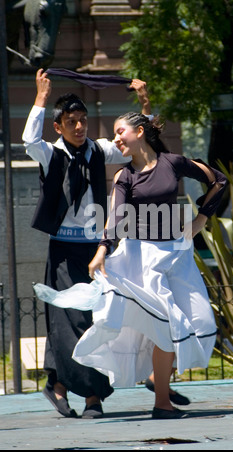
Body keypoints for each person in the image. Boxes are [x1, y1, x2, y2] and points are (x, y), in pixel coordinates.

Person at [34, 111, 227, 419]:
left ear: (139, 131)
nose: (116, 138)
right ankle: (162, 403)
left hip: (177, 255)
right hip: (144, 259)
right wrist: (101, 250)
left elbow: (219, 180)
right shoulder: (125, 177)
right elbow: (117, 218)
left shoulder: (172, 162)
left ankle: (157, 379)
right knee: (166, 327)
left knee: (201, 322)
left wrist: (201, 218)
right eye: (114, 134)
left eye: (120, 131)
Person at [22, 69, 151, 418]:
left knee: (96, 318)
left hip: (96, 251)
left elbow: (134, 143)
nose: (79, 127)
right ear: (58, 127)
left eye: (83, 120)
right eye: (71, 122)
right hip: (63, 251)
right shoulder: (50, 153)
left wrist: (143, 104)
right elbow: (28, 140)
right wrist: (41, 98)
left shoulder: (98, 151)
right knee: (74, 321)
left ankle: (58, 384)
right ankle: (93, 397)